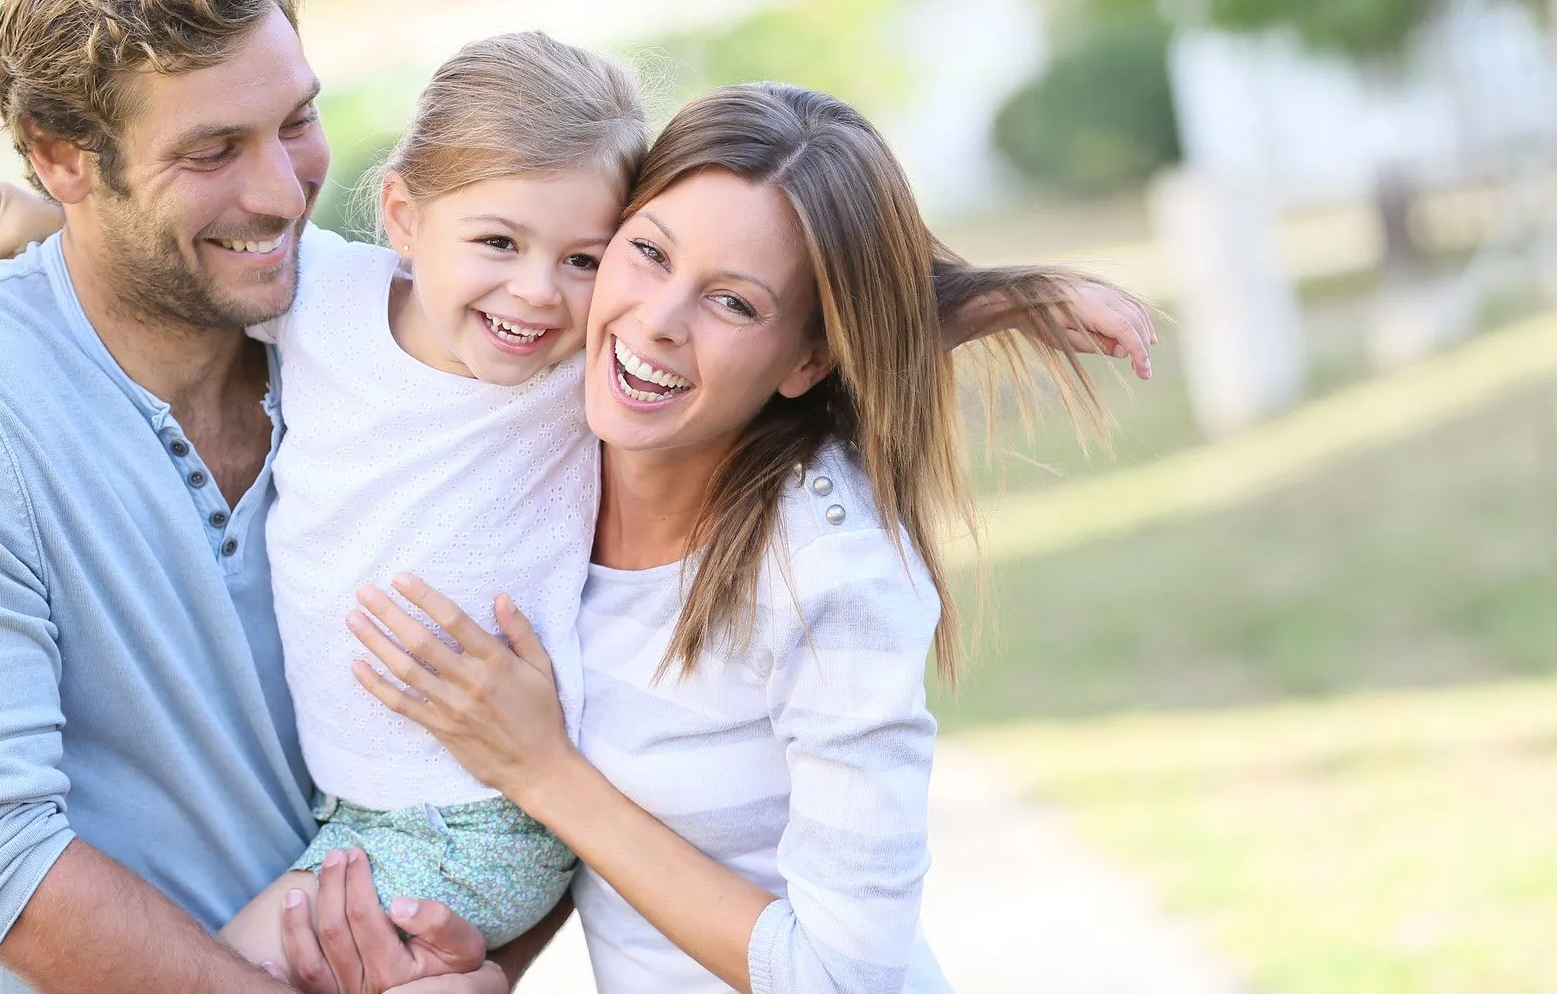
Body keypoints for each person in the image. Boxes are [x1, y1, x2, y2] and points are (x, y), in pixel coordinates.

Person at [0, 0, 507, 994]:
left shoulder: (389, 348)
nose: (280, 191)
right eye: (209, 150)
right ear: (61, 162)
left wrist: (481, 960)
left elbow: (543, 724)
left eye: (295, 121)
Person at [341, 83, 1129, 992]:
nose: (657, 321)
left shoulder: (831, 576)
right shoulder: (558, 445)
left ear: (806, 360)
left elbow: (846, 977)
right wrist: (490, 963)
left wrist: (543, 769)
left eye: (733, 304)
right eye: (646, 253)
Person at [0, 29, 649, 967]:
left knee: (222, 973)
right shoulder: (327, 296)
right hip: (357, 806)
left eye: (584, 259)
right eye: (497, 241)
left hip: (481, 817)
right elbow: (179, 251)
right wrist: (39, 219)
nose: (536, 292)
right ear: (402, 214)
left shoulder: (581, 380)